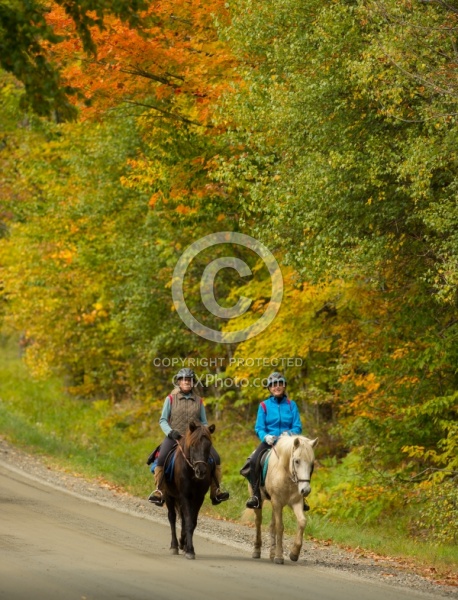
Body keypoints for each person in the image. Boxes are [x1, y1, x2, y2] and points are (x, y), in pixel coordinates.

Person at [148, 367, 230, 507]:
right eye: (183, 380)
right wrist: (170, 432)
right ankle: (159, 491)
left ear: (193, 383)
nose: (186, 382)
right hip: (175, 436)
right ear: (179, 382)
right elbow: (162, 420)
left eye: (189, 380)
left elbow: (203, 421)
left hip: (195, 438)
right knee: (161, 458)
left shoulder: (199, 401)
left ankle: (215, 491)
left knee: (215, 458)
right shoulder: (171, 399)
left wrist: (205, 431)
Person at [245, 371, 304, 509]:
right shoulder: (264, 405)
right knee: (253, 461)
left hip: (289, 444)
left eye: (280, 384)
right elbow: (259, 427)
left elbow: (298, 426)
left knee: (303, 461)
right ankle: (255, 495)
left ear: (284, 386)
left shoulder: (291, 405)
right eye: (273, 385)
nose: (276, 387)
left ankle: (302, 495)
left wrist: (289, 433)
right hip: (269, 442)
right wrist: (265, 436)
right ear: (269, 388)